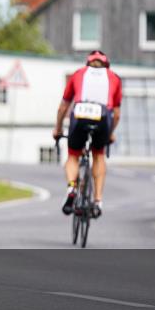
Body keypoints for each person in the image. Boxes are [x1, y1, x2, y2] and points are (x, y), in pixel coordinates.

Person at [52, 50, 122, 218]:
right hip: (102, 117)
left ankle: (71, 188)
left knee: (73, 155)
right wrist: (110, 134)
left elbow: (63, 107)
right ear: (106, 65)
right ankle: (97, 201)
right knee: (98, 155)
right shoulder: (114, 78)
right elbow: (117, 114)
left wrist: (58, 129)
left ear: (88, 63)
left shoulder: (78, 74)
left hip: (79, 116)